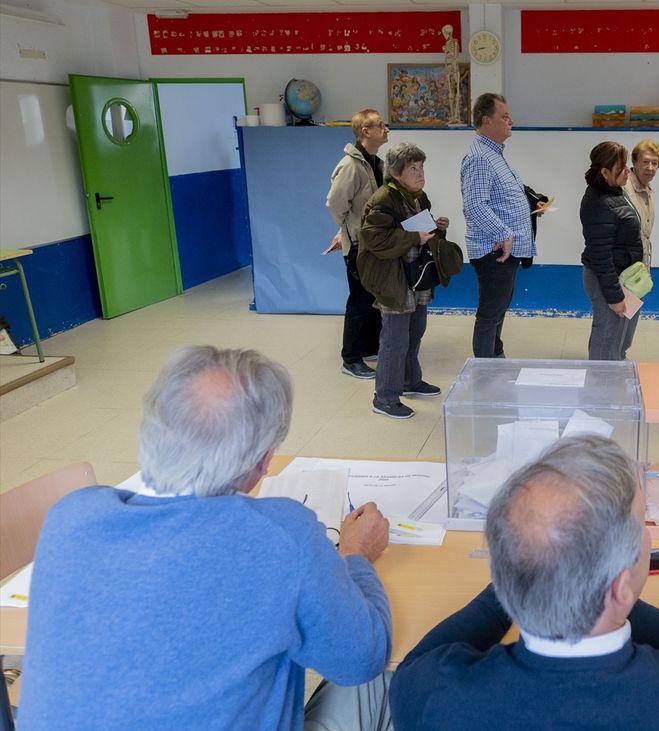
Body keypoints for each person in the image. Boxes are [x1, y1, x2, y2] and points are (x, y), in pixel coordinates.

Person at [20, 346, 395, 730]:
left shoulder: (70, 515)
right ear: (263, 462)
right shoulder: (283, 534)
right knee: (389, 677)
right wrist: (356, 556)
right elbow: (362, 657)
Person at [389, 435, 659, 729]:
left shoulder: (433, 697)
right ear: (620, 587)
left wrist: (532, 570)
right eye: (643, 523)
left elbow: (419, 661)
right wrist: (595, 582)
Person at [357, 142, 447, 419]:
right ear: (396, 173)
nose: (420, 174)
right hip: (392, 278)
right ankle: (384, 397)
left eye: (421, 168)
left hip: (415, 276)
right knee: (394, 340)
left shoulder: (418, 196)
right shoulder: (383, 199)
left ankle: (410, 380)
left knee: (415, 331)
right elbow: (373, 239)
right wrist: (413, 238)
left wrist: (436, 228)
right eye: (413, 169)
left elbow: (420, 230)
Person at [462, 93, 544, 359]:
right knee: (490, 313)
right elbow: (474, 205)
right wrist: (503, 233)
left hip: (504, 248)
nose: (511, 120)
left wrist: (531, 205)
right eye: (505, 116)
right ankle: (484, 373)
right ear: (487, 120)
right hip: (494, 248)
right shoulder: (480, 158)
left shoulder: (493, 154)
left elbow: (503, 197)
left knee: (498, 310)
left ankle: (494, 360)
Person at [325, 108, 387, 380]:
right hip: (360, 245)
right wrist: (348, 230)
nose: (386, 129)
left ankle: (369, 347)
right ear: (366, 131)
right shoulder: (351, 166)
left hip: (374, 244)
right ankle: (350, 358)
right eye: (380, 125)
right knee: (360, 300)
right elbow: (336, 203)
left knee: (373, 297)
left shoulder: (375, 162)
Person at [580, 141, 643, 360]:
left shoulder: (614, 192)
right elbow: (601, 256)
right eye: (621, 168)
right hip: (608, 280)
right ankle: (600, 387)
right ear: (604, 172)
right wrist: (614, 296)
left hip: (622, 278)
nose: (627, 171)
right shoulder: (599, 203)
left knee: (618, 340)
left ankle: (613, 381)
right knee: (606, 339)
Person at [626, 138, 659, 267]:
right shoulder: (624, 188)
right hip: (622, 268)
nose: (650, 168)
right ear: (634, 162)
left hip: (637, 267)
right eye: (645, 162)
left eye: (655, 163)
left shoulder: (646, 190)